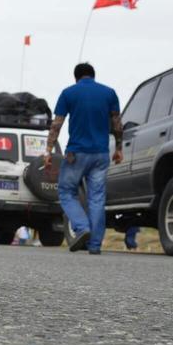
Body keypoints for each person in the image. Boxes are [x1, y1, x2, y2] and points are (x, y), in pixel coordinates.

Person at [45, 63, 123, 255]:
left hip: (76, 153)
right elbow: (117, 124)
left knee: (65, 191)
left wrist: (48, 150)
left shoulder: (68, 93)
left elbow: (57, 124)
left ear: (76, 77)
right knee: (97, 198)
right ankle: (95, 245)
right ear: (93, 76)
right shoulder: (109, 93)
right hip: (101, 153)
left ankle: (82, 227)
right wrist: (119, 148)